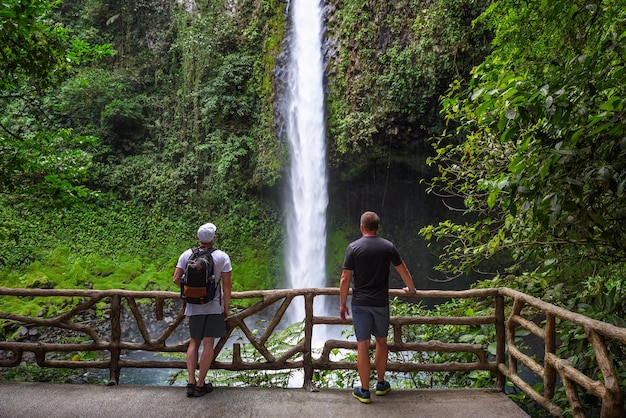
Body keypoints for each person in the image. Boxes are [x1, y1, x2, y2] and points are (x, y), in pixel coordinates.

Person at [339, 211, 417, 404]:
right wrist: (412, 289)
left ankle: (364, 391)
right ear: (378, 227)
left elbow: (345, 279)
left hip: (360, 304)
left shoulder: (353, 248)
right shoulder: (387, 246)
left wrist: (342, 304)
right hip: (381, 303)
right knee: (382, 342)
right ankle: (381, 384)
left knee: (362, 345)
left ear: (361, 227)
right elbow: (403, 269)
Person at [173, 222, 232, 398]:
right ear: (213, 238)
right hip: (214, 306)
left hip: (193, 306)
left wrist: (191, 290)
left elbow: (176, 279)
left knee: (194, 342)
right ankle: (200, 384)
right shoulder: (222, 257)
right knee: (208, 344)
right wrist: (226, 308)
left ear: (198, 238)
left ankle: (190, 382)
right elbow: (227, 286)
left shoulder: (186, 255)